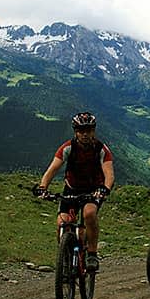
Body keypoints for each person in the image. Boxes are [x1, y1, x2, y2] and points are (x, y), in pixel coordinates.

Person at [37, 112, 114, 271]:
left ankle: (92, 253)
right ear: (75, 132)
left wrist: (104, 189)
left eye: (88, 130)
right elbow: (52, 170)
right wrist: (43, 188)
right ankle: (65, 256)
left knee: (89, 214)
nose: (85, 134)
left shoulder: (101, 149)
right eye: (80, 130)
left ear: (94, 131)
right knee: (62, 223)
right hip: (71, 189)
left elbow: (109, 174)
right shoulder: (67, 148)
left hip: (93, 190)